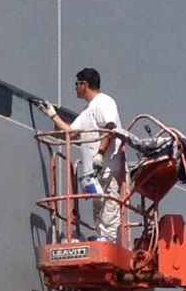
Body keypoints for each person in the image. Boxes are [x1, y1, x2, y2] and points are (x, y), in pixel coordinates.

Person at [38, 68, 123, 243]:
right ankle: (103, 239)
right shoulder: (87, 111)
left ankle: (108, 243)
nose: (75, 88)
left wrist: (100, 153)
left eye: (76, 84)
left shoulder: (104, 102)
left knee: (109, 208)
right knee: (99, 211)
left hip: (107, 169)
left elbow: (110, 127)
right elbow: (71, 132)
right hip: (94, 175)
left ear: (84, 85)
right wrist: (52, 114)